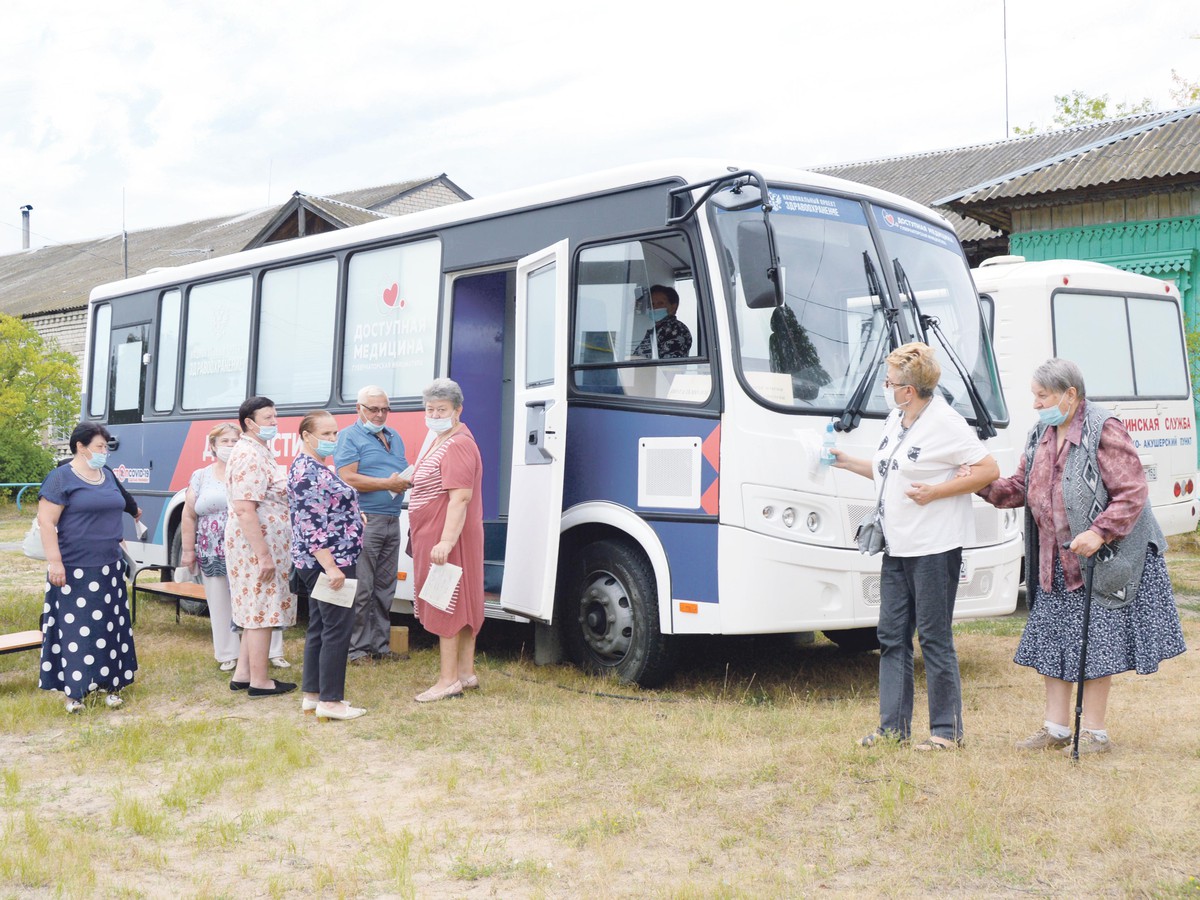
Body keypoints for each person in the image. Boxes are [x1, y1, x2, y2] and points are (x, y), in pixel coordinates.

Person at [976, 358, 1186, 755]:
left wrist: (1099, 531)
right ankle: (1055, 729)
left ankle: (1094, 732)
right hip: (1054, 556)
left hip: (1105, 556)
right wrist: (978, 484)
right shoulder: (1039, 433)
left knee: (1095, 640)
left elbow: (1132, 491)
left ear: (1070, 395)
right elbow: (1020, 486)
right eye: (1034, 397)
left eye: (1043, 396)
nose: (1036, 404)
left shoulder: (1102, 428)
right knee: (1055, 639)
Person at [831, 342, 999, 751]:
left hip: (935, 547)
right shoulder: (896, 419)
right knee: (891, 636)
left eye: (890, 381)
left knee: (935, 638)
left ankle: (946, 731)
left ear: (909, 389)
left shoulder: (946, 422)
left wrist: (938, 492)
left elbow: (988, 469)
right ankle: (893, 729)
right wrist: (842, 460)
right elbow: (886, 470)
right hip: (897, 546)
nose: (886, 386)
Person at [36, 422, 139, 713]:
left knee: (110, 627)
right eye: (99, 447)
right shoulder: (60, 478)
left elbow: (119, 510)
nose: (104, 452)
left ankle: (112, 685)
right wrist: (54, 561)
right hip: (74, 567)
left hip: (109, 565)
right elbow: (47, 522)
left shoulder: (106, 475)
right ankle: (75, 694)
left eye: (106, 447)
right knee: (77, 631)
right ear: (80, 447)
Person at [180, 423, 287, 672]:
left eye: (234, 440)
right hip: (212, 548)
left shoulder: (250, 468)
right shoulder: (201, 476)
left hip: (247, 545)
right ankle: (228, 653)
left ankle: (274, 651)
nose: (230, 445)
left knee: (263, 596)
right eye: (224, 441)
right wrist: (188, 550)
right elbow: (188, 515)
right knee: (220, 601)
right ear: (213, 447)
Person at [408, 378, 485, 702]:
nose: (435, 414)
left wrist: (445, 541)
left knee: (446, 603)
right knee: (462, 603)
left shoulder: (458, 444)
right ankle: (465, 673)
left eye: (441, 409)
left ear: (458, 410)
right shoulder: (441, 440)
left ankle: (448, 680)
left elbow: (460, 498)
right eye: (430, 409)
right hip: (436, 533)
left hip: (447, 537)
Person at [288, 411, 367, 720]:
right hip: (329, 563)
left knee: (321, 627)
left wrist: (353, 515)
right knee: (337, 628)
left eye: (335, 434)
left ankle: (313, 695)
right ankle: (330, 702)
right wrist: (331, 567)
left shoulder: (312, 466)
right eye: (328, 434)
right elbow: (310, 524)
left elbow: (327, 508)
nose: (334, 439)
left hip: (326, 559)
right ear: (307, 436)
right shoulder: (307, 469)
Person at [225, 396, 296, 697]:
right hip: (255, 547)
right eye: (268, 418)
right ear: (250, 423)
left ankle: (243, 674)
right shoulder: (249, 455)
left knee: (255, 607)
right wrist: (264, 556)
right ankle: (261, 680)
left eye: (275, 417)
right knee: (260, 611)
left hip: (262, 545)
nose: (274, 423)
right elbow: (244, 509)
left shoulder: (259, 450)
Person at [334, 385, 411, 663]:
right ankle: (357, 650)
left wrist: (405, 481)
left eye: (385, 409)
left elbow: (397, 471)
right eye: (373, 409)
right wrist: (387, 483)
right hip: (364, 519)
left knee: (385, 586)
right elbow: (347, 478)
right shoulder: (348, 436)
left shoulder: (395, 436)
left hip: (392, 518)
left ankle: (380, 647)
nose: (380, 415)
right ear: (359, 409)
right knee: (362, 587)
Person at [632, 284, 692, 359]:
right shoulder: (655, 330)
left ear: (673, 307)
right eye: (652, 304)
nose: (655, 307)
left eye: (660, 303)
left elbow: (670, 364)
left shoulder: (676, 329)